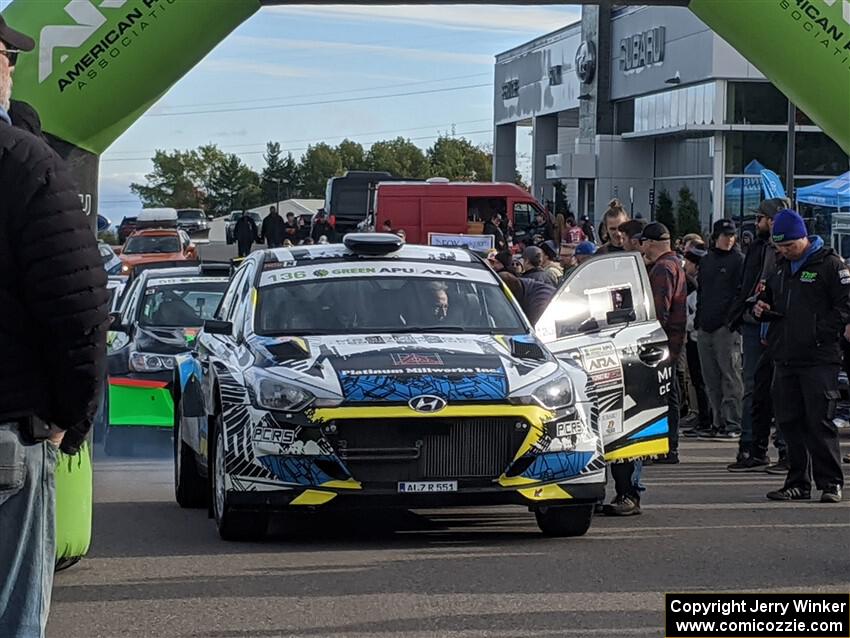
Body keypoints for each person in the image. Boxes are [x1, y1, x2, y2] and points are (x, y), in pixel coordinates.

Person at [0, 17, 109, 637]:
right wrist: (74, 416)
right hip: (8, 433)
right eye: (8, 59)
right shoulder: (25, 164)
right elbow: (78, 309)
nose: (13, 71)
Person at [754, 209, 848, 503]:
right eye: (779, 247)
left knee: (819, 422)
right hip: (785, 356)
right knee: (788, 422)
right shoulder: (780, 268)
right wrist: (760, 309)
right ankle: (797, 482)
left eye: (789, 246)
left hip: (819, 358)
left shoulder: (830, 265)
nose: (784, 251)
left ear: (804, 238)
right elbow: (770, 299)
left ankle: (830, 482)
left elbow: (845, 306)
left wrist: (819, 332)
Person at [727, 198, 790, 471]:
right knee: (753, 387)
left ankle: (786, 451)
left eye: (762, 218)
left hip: (778, 325)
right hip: (754, 321)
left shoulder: (785, 251)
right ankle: (752, 447)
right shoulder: (757, 247)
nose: (757, 222)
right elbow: (746, 284)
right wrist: (740, 313)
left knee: (782, 389)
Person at [640, 223, 688, 465]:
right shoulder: (674, 264)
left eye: (643, 242)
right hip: (673, 340)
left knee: (663, 396)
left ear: (649, 243)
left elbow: (660, 311)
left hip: (663, 342)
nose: (641, 247)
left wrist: (648, 340)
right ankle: (669, 447)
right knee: (670, 394)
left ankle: (666, 448)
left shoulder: (662, 269)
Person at [695, 219, 744, 440]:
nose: (729, 239)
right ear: (715, 237)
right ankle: (717, 421)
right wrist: (698, 319)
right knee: (711, 379)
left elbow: (740, 294)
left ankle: (733, 422)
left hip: (727, 328)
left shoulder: (739, 261)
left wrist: (731, 320)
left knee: (730, 376)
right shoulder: (706, 262)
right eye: (725, 235)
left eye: (732, 235)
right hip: (706, 325)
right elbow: (702, 293)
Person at [681, 242, 714, 437]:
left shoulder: (698, 285)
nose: (686, 266)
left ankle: (706, 419)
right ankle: (703, 416)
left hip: (696, 335)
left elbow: (694, 312)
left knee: (700, 380)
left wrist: (689, 325)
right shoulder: (697, 283)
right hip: (694, 335)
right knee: (697, 380)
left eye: (689, 262)